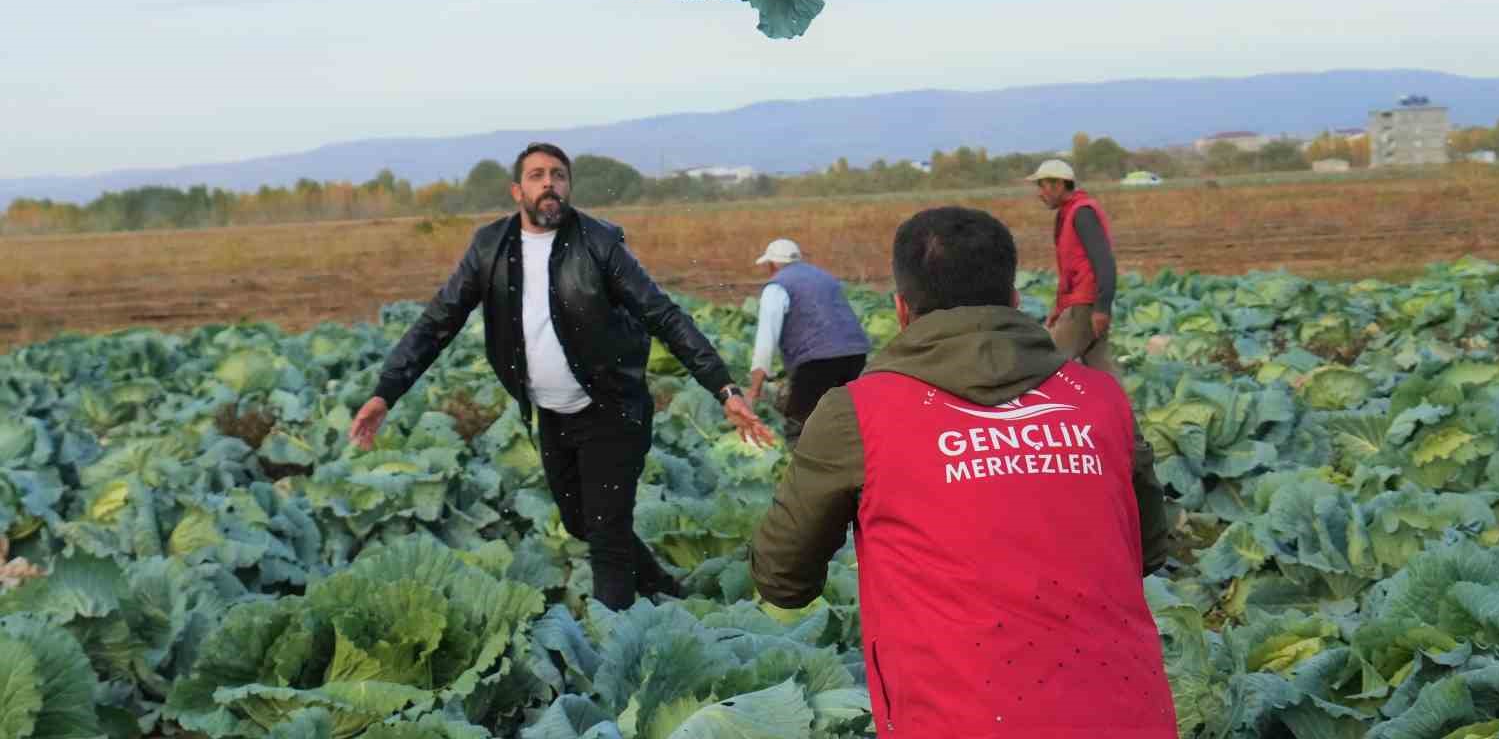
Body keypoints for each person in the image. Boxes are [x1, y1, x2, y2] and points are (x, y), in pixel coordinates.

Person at [751, 206, 1174, 739]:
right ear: (1016, 302)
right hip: (1128, 717)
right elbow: (1150, 551)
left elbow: (782, 579)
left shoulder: (857, 414)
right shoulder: (1100, 398)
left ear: (902, 310)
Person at [347, 142, 773, 609]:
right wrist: (386, 392)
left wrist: (724, 389)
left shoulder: (600, 244)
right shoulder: (490, 248)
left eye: (558, 175)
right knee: (581, 523)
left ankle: (612, 651)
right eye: (536, 175)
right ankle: (665, 589)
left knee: (607, 536)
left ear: (569, 187)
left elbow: (663, 315)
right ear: (517, 190)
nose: (549, 183)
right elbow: (438, 322)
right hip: (552, 414)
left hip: (612, 409)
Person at [746, 238, 874, 444]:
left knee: (800, 426)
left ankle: (803, 473)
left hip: (816, 362)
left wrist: (753, 391)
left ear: (772, 265)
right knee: (847, 423)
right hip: (855, 356)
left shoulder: (777, 287)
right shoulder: (825, 277)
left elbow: (765, 342)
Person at [1025, 158, 1119, 372]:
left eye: (1042, 185)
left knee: (1046, 364)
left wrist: (1102, 308)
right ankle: (1121, 406)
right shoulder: (1069, 213)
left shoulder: (1082, 213)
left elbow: (1104, 262)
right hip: (1082, 304)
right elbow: (1070, 271)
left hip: (1084, 306)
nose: (1040, 193)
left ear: (1059, 185)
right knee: (1099, 367)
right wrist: (1058, 309)